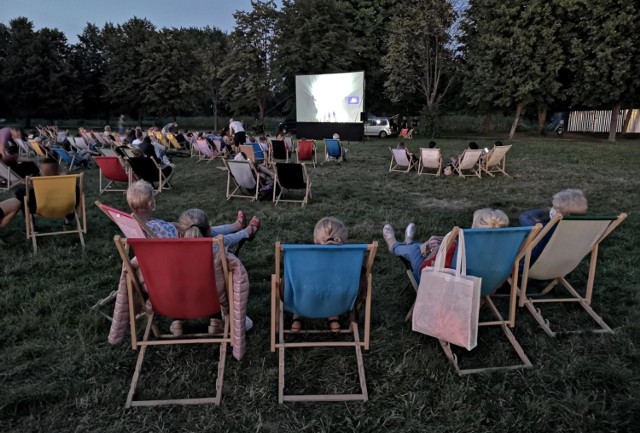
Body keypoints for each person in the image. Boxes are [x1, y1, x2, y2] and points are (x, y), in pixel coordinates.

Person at [383, 208, 510, 283]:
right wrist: (445, 243)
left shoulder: (459, 249)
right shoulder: (507, 251)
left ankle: (394, 245)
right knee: (421, 246)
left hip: (442, 286)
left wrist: (435, 252)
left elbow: (424, 270)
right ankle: (409, 241)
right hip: (487, 285)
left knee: (414, 250)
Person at [126, 180, 260, 245]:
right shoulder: (153, 228)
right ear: (150, 204)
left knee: (201, 228)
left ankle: (236, 226)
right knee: (216, 242)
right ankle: (246, 232)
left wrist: (177, 226)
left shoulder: (137, 227)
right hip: (185, 248)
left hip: (183, 236)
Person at [291, 217, 351, 333]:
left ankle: (297, 317)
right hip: (339, 297)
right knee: (335, 285)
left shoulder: (304, 258)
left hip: (306, 298)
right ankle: (333, 317)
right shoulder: (349, 259)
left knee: (298, 284)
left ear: (316, 240)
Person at [519, 189, 588, 263]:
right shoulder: (582, 229)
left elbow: (524, 216)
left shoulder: (545, 230)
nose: (553, 210)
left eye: (555, 208)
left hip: (529, 266)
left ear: (560, 212)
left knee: (526, 220)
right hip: (561, 265)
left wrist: (547, 211)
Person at [14, 158, 80, 228]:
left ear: (41, 171)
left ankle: (32, 226)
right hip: (66, 208)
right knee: (74, 193)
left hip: (41, 209)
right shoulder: (70, 186)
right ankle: (68, 222)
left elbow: (22, 196)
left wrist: (29, 186)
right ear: (58, 171)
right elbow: (75, 201)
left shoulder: (35, 187)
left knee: (21, 194)